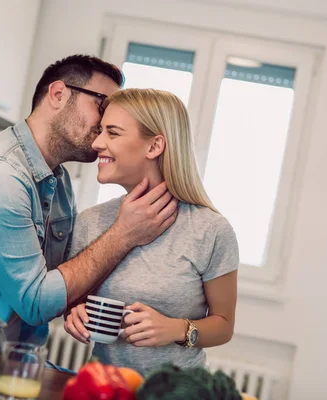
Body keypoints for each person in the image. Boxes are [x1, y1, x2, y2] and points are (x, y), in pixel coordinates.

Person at [0, 55, 178, 344]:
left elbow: (60, 281)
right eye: (102, 105)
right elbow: (36, 302)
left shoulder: (58, 181)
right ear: (58, 94)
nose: (106, 123)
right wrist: (123, 234)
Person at [64, 89, 239, 376]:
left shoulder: (211, 231)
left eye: (113, 133)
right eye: (100, 131)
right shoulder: (90, 222)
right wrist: (75, 314)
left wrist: (176, 329)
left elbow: (223, 325)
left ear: (155, 145)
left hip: (178, 393)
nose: (97, 143)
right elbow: (73, 301)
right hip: (102, 388)